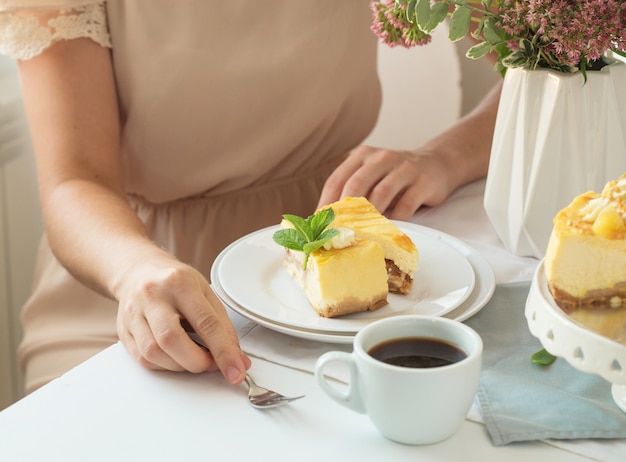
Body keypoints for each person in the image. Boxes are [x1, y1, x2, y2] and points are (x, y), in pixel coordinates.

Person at [0, 0, 500, 393]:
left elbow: (552, 61)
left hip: (337, 262)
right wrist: (134, 271)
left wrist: (447, 156)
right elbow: (74, 181)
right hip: (127, 279)